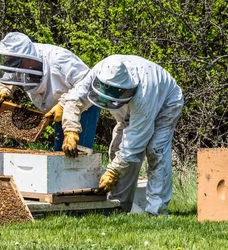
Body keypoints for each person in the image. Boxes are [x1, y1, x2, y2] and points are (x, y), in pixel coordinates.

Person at [61, 55, 184, 215]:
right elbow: (74, 98)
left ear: (126, 89)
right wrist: (70, 129)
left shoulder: (144, 94)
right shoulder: (100, 71)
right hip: (131, 108)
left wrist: (113, 171)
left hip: (166, 102)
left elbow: (134, 143)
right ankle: (119, 207)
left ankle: (157, 210)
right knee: (118, 149)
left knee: (155, 149)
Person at [0, 32, 100, 150]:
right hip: (58, 106)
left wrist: (64, 104)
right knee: (61, 152)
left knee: (77, 151)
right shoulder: (21, 60)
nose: (16, 69)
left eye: (18, 64)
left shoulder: (60, 60)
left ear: (29, 57)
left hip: (83, 105)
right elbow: (10, 73)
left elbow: (89, 85)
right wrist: (4, 87)